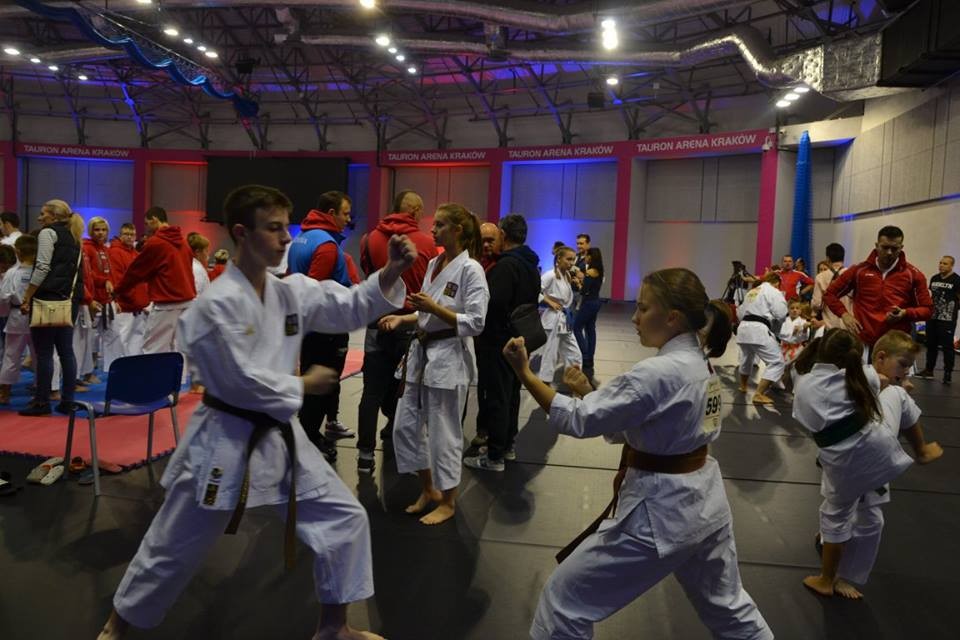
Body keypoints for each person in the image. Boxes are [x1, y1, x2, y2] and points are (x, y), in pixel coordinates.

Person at [96, 184, 415, 640]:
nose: (286, 238)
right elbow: (235, 379)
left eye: (287, 228)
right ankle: (117, 626)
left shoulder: (289, 292)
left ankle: (334, 628)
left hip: (280, 439)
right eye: (274, 228)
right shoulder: (214, 305)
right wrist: (301, 385)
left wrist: (392, 270)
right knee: (172, 544)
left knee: (344, 519)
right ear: (242, 233)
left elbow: (349, 307)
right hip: (223, 441)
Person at [501, 267, 772, 639]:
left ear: (672, 317)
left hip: (661, 512)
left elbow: (579, 420)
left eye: (643, 308)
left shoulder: (657, 372)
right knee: (729, 607)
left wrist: (526, 375)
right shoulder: (699, 361)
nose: (635, 317)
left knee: (564, 600)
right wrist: (589, 392)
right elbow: (646, 425)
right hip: (705, 503)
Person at [380, 203, 489, 525]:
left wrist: (433, 309)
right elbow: (427, 311)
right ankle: (429, 489)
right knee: (404, 427)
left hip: (449, 357)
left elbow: (476, 322)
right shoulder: (433, 262)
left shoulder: (471, 270)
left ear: (457, 230)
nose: (432, 229)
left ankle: (449, 501)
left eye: (439, 225)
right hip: (421, 352)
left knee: (444, 434)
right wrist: (404, 319)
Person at [815, 329, 943, 598]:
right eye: (903, 365)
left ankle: (838, 566)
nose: (906, 372)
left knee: (869, 521)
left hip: (863, 463)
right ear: (881, 357)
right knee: (847, 516)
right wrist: (891, 388)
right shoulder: (855, 379)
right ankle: (832, 576)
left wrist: (893, 386)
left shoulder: (878, 383)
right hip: (852, 460)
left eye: (909, 367)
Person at [791, 328, 915, 599]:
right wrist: (900, 384)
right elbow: (883, 381)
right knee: (898, 395)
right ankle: (923, 449)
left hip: (836, 456)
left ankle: (828, 569)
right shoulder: (863, 377)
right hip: (872, 452)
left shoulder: (801, 378)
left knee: (843, 511)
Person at [355, 190, 437, 474]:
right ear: (414, 211)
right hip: (409, 324)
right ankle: (403, 447)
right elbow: (430, 284)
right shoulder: (426, 242)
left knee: (371, 392)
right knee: (408, 391)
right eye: (421, 210)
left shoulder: (369, 239)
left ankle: (365, 455)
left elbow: (369, 274)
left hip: (376, 322)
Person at [464, 214, 541, 472]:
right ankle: (507, 445)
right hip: (519, 341)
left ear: (504, 236)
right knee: (511, 395)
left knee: (497, 396)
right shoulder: (531, 264)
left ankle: (494, 455)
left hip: (498, 342)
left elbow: (494, 305)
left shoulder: (505, 266)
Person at [288, 190, 362, 458]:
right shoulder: (327, 245)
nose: (349, 219)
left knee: (315, 384)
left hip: (309, 328)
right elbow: (315, 292)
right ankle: (308, 439)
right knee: (320, 386)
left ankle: (309, 434)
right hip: (325, 328)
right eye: (345, 213)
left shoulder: (300, 238)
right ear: (331, 214)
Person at [824, 226, 932, 357]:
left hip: (896, 344)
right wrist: (844, 314)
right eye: (885, 247)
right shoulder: (859, 271)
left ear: (901, 248)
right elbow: (829, 294)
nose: (889, 252)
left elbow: (927, 310)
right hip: (863, 342)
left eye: (894, 248)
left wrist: (905, 313)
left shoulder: (914, 275)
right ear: (876, 245)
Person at [18, 199, 82, 416]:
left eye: (43, 214)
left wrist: (27, 296)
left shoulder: (48, 233)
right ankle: (68, 401)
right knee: (66, 352)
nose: (39, 218)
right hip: (68, 300)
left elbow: (43, 267)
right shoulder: (75, 236)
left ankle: (42, 402)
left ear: (54, 216)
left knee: (44, 353)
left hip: (47, 298)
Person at [113, 206, 196, 355]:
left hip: (166, 303)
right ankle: (177, 372)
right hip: (187, 303)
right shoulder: (184, 243)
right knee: (178, 350)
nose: (146, 228)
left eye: (147, 223)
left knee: (152, 350)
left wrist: (117, 290)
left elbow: (136, 271)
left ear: (154, 219)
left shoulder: (156, 243)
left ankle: (155, 373)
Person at [736, 271, 788, 404]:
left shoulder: (752, 291)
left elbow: (740, 313)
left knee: (747, 357)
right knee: (777, 362)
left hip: (743, 327)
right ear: (776, 282)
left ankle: (743, 386)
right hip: (758, 329)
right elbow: (781, 313)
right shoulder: (773, 291)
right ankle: (759, 394)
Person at [0, 235, 38, 404]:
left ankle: (5, 393)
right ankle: (41, 392)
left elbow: (3, 297)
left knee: (11, 355)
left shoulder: (12, 273)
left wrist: (4, 312)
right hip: (38, 316)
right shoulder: (41, 272)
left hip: (16, 316)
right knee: (40, 356)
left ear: (18, 252)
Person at [536, 246, 582, 383]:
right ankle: (545, 382)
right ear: (559, 259)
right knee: (550, 353)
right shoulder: (550, 275)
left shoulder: (567, 275)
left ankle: (574, 379)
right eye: (568, 259)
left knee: (574, 352)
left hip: (564, 319)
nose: (571, 263)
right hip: (553, 318)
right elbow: (534, 290)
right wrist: (549, 301)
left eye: (573, 259)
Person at [108, 223, 149, 359]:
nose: (130, 237)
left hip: (138, 307)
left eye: (132, 234)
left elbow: (143, 279)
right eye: (126, 234)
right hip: (124, 307)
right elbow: (118, 279)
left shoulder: (136, 254)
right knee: (121, 342)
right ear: (120, 235)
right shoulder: (115, 252)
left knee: (136, 343)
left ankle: (133, 369)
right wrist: (131, 298)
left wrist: (144, 300)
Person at [919, 255, 960, 384]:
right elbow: (930, 295)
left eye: (945, 263)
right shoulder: (934, 278)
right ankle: (929, 370)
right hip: (932, 317)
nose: (941, 265)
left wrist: (951, 309)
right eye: (940, 263)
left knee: (947, 347)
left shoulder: (957, 280)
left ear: (951, 266)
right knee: (931, 344)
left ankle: (947, 374)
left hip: (947, 319)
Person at [572, 247, 604, 381]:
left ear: (591, 257)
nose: (585, 257)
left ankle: (585, 356)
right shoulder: (599, 271)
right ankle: (590, 357)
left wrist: (578, 283)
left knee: (576, 328)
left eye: (587, 255)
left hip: (588, 303)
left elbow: (584, 291)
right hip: (596, 302)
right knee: (591, 330)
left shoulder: (590, 272)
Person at [811, 243, 850, 330]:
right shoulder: (852, 274)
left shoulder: (820, 277)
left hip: (829, 325)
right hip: (848, 325)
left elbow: (817, 303)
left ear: (828, 259)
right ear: (843, 258)